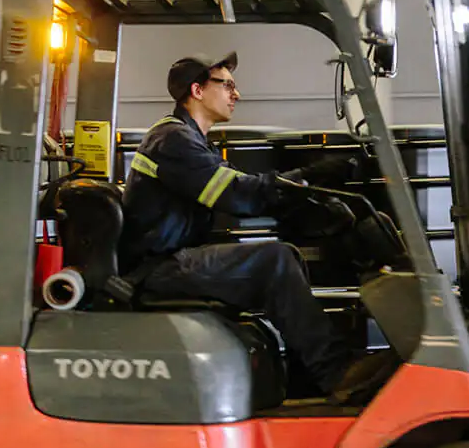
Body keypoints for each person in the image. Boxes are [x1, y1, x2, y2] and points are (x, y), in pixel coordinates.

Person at [118, 52, 395, 404]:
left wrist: (308, 200)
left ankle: (308, 380)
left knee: (287, 254)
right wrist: (309, 176)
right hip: (156, 268)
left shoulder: (190, 140)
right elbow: (238, 195)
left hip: (169, 258)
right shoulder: (173, 141)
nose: (237, 94)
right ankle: (335, 371)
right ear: (197, 90)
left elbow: (245, 188)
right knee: (274, 260)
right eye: (227, 85)